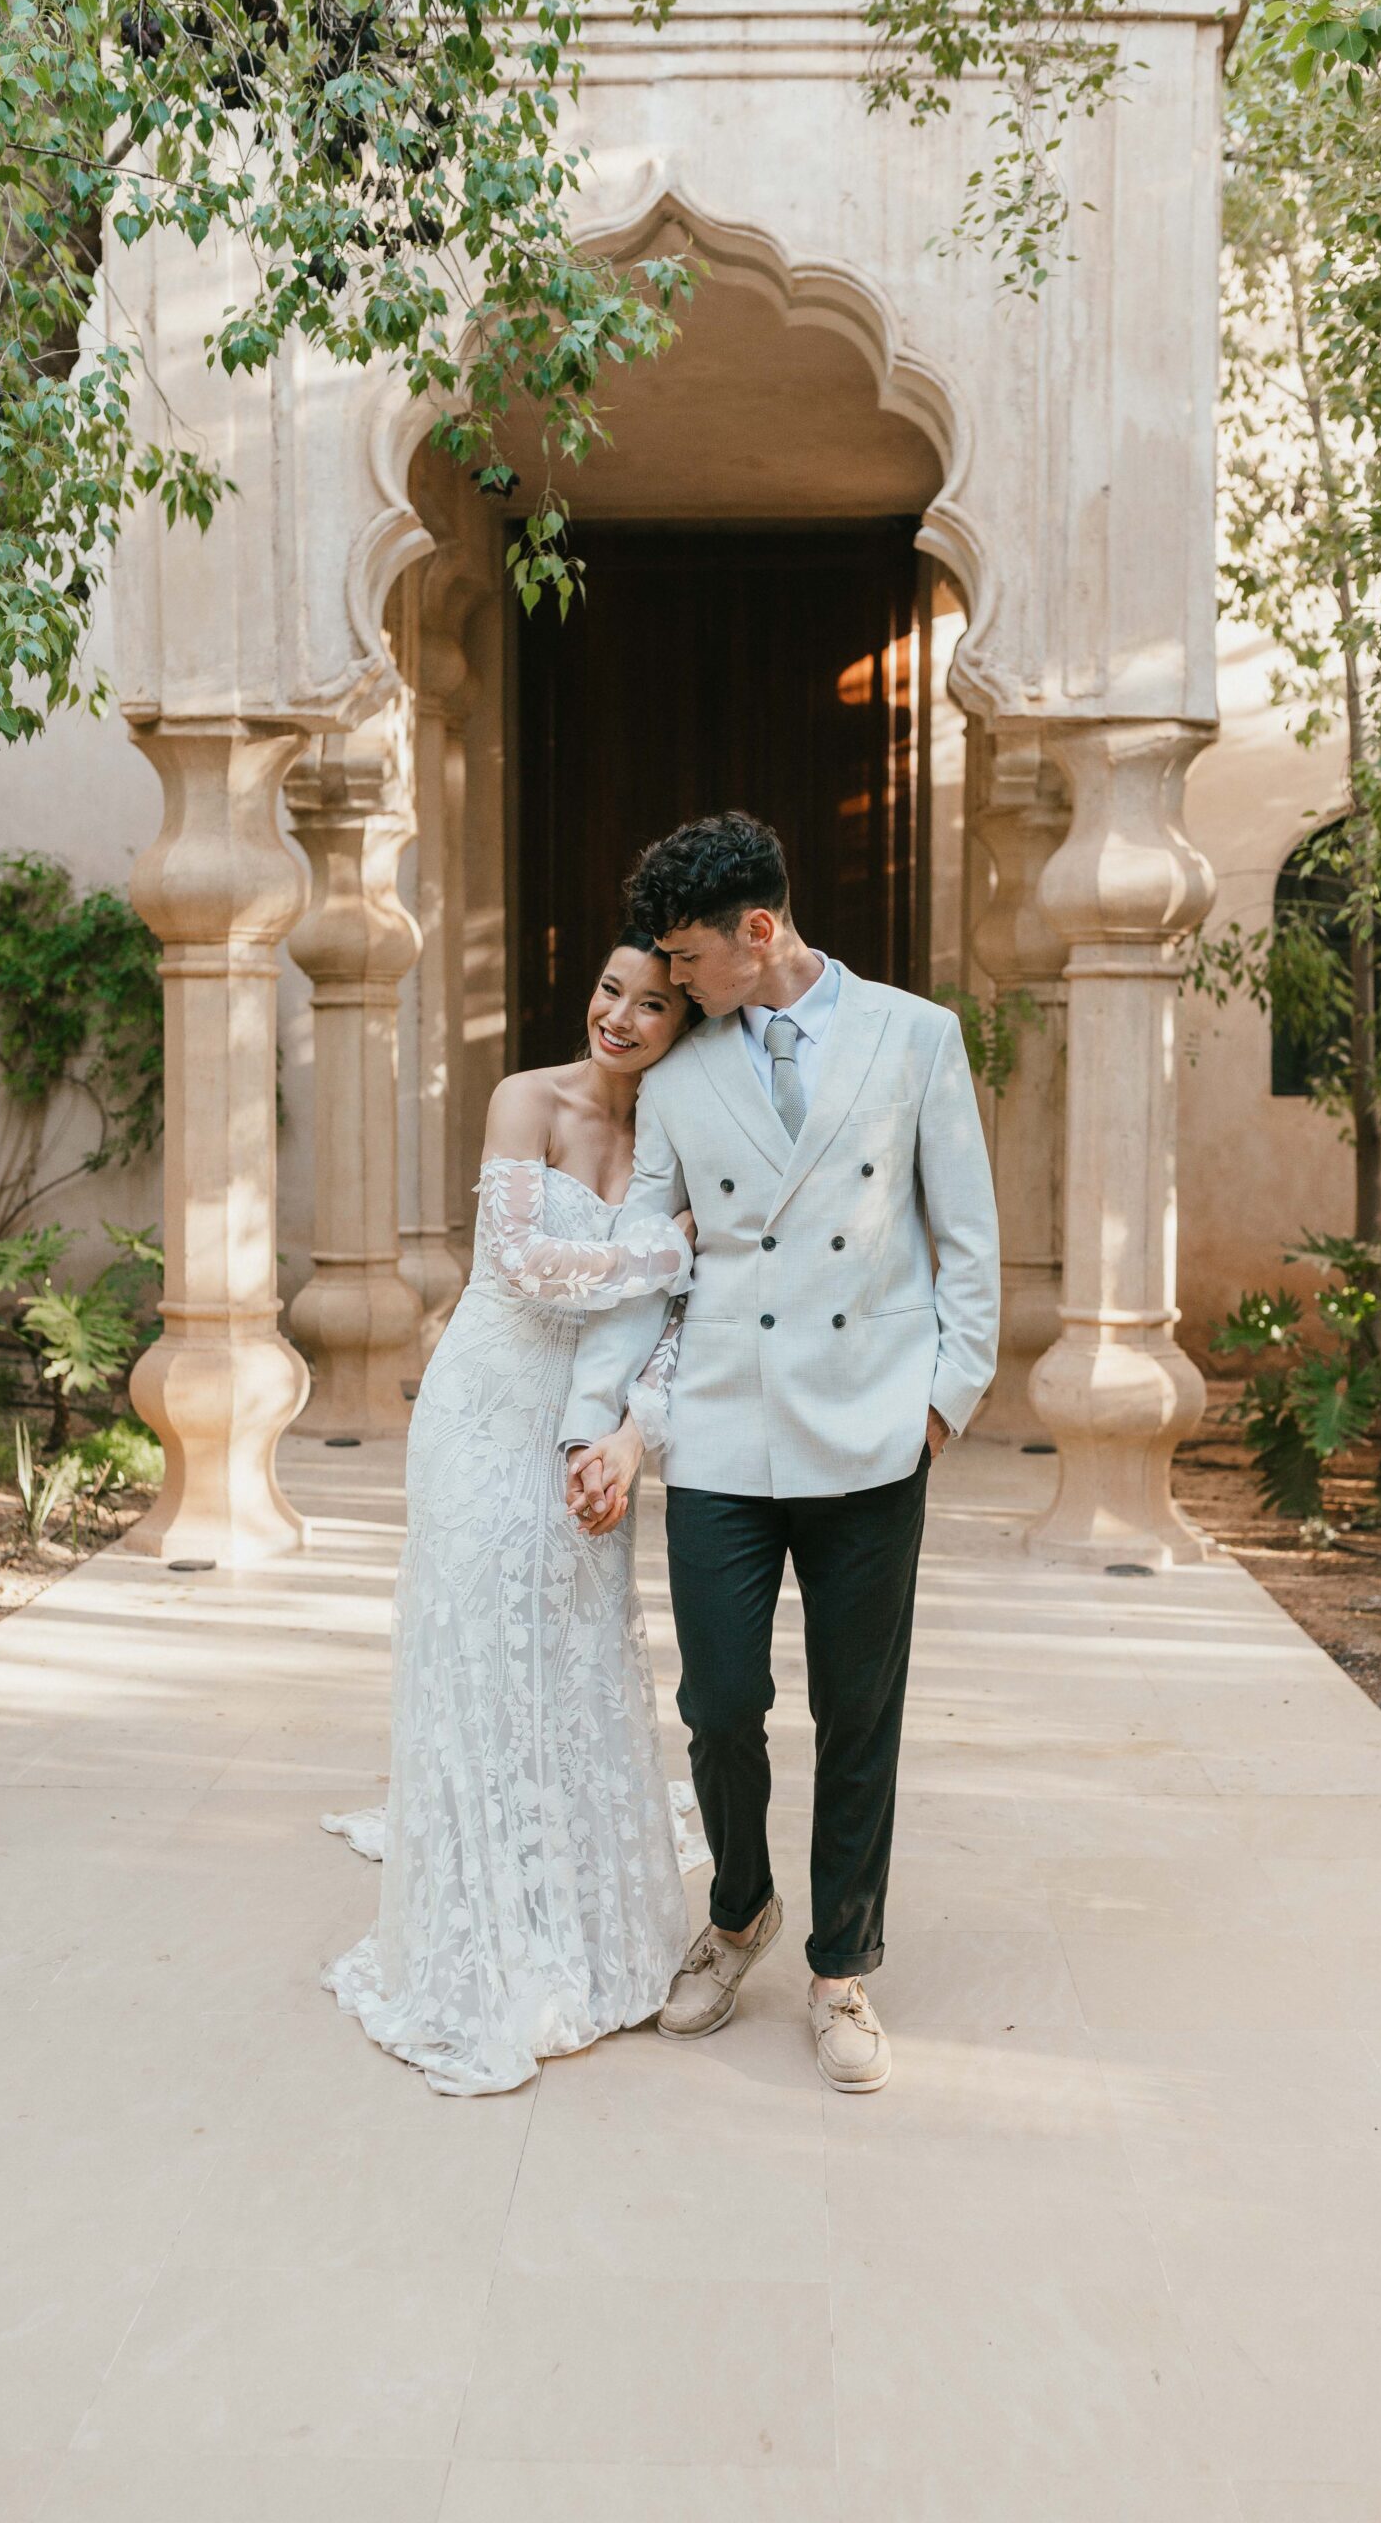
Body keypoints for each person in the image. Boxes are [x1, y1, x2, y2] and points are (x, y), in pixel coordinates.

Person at [564, 814, 999, 2095]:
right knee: (719, 1702)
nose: (673, 986)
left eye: (689, 960)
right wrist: (602, 1423)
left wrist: (941, 1404)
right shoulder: (680, 1080)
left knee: (857, 1711)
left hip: (872, 1432)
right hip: (721, 1433)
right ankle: (739, 1905)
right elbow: (648, 1266)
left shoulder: (917, 1036)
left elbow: (964, 1235)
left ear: (759, 933)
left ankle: (839, 1964)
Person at [322, 934, 700, 2096]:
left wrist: (635, 1433)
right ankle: (477, 1929)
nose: (620, 1018)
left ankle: (573, 1922)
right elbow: (525, 1263)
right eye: (608, 990)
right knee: (477, 1650)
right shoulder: (522, 1099)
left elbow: (684, 1322)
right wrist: (670, 1250)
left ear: (686, 1027)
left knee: (574, 1655)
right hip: (483, 1407)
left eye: (651, 1006)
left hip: (585, 1433)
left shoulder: (675, 1147)